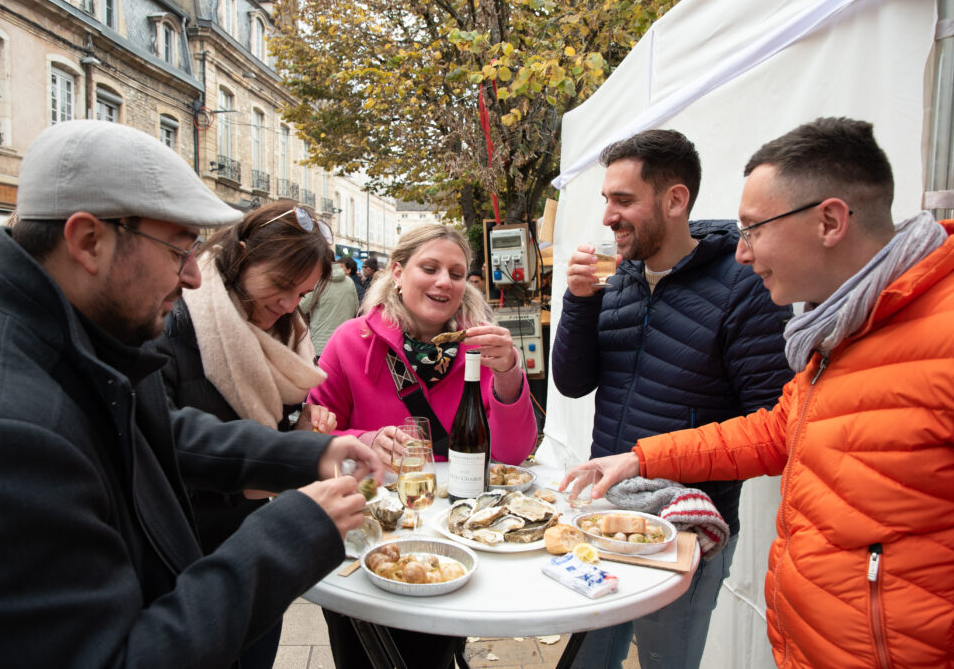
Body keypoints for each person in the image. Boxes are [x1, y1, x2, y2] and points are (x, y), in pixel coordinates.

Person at [0, 120, 382, 667]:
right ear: (88, 241)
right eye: (178, 249)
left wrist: (308, 454)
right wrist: (288, 535)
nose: (195, 276)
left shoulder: (65, 327)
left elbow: (156, 429)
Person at [562, 117, 954, 669]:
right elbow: (776, 430)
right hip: (807, 637)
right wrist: (638, 459)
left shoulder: (927, 329)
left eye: (754, 229)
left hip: (694, 533)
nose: (743, 251)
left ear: (830, 221)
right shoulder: (839, 329)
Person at [551, 129, 793, 669]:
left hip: (686, 531)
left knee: (667, 663)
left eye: (624, 200)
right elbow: (571, 383)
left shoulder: (742, 286)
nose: (609, 216)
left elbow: (772, 421)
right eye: (606, 200)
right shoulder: (622, 279)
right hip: (606, 515)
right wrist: (580, 302)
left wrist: (660, 461)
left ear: (675, 199)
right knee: (590, 659)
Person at [309, 223, 538, 669]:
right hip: (369, 531)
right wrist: (365, 439)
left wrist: (510, 370)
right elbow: (312, 433)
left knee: (429, 654)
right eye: (429, 268)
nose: (443, 282)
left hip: (453, 535)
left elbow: (511, 454)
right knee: (365, 655)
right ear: (397, 272)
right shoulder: (350, 342)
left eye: (455, 272)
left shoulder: (481, 348)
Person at [151, 200, 338, 669]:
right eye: (280, 286)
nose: (289, 305)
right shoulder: (175, 325)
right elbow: (157, 454)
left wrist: (302, 429)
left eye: (303, 293)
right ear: (241, 255)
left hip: (255, 554)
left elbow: (279, 426)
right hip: (184, 563)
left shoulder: (289, 335)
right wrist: (276, 473)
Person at [301, 255, 360, 356]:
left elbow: (301, 307)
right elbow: (356, 310)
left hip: (321, 345)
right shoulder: (350, 283)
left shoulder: (317, 282)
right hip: (344, 344)